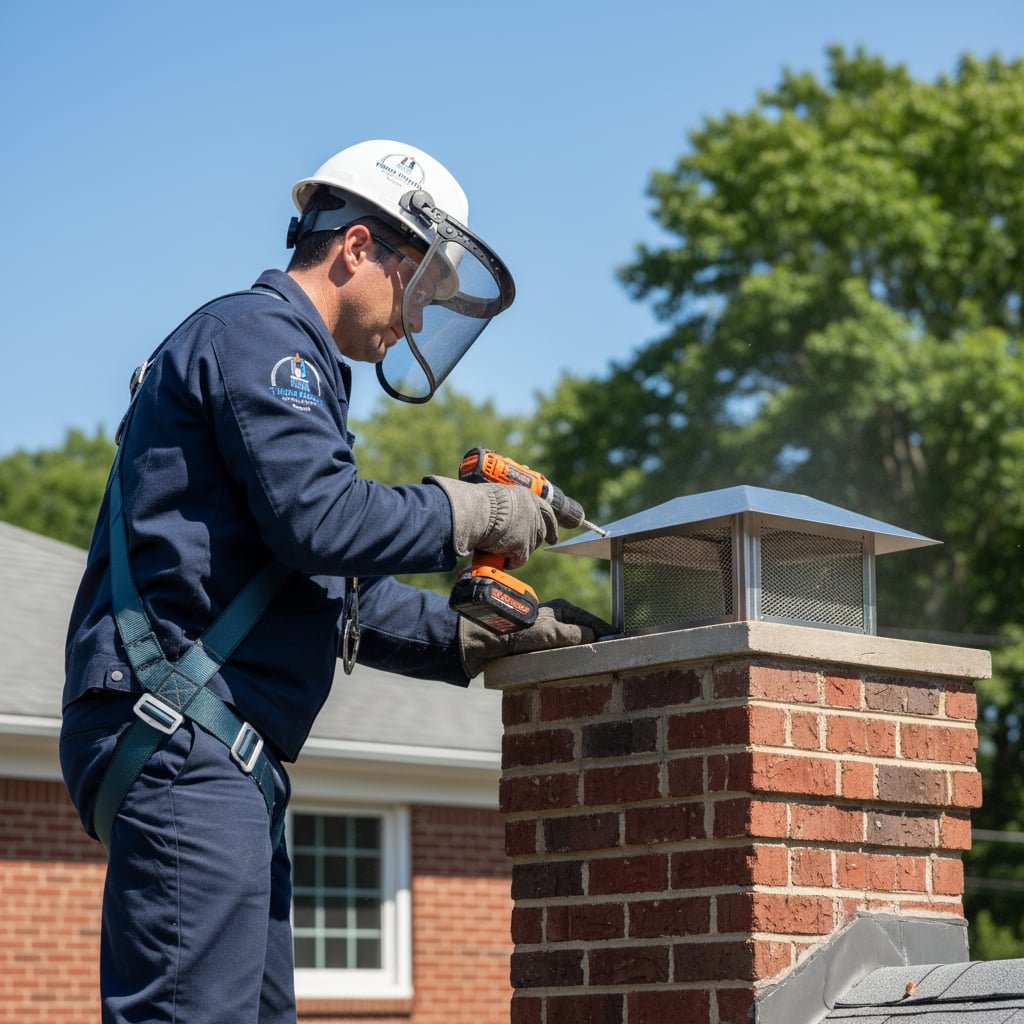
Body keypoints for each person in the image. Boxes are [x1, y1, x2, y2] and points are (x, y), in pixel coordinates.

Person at [59, 139, 610, 1024]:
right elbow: (322, 521)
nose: (418, 323)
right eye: (418, 290)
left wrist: (471, 638)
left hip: (213, 754)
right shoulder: (261, 337)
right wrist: (469, 515)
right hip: (183, 740)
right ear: (357, 247)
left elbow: (325, 584)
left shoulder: (281, 356)